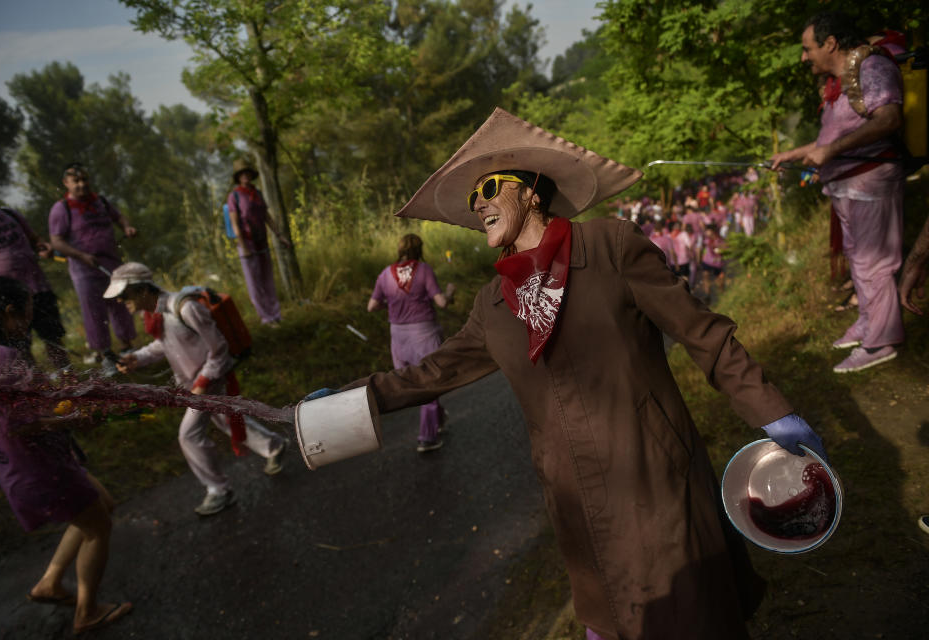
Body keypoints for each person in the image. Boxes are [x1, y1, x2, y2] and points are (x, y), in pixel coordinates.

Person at [310, 108, 827, 639]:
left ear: (533, 190)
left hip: (656, 478)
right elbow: (427, 374)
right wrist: (340, 406)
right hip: (576, 502)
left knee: (689, 618)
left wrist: (775, 413)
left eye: (490, 187)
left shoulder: (612, 246)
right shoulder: (492, 305)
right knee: (614, 618)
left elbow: (704, 335)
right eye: (473, 200)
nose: (480, 203)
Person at [0, 276, 131, 635]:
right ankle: (87, 613)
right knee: (98, 526)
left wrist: (6, 457)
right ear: (8, 313)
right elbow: (23, 426)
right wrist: (78, 418)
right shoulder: (8, 359)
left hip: (15, 469)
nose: (29, 322)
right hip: (43, 469)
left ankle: (50, 583)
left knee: (102, 503)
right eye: (26, 313)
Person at [771, 11, 905, 374]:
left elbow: (889, 119)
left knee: (874, 264)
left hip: (871, 182)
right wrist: (796, 153)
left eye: (807, 48)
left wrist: (829, 153)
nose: (803, 57)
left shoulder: (871, 69)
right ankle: (867, 322)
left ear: (830, 44)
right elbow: (831, 138)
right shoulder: (840, 81)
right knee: (858, 260)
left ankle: (881, 342)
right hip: (847, 186)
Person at [106, 262, 286, 516]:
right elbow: (165, 345)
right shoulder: (158, 314)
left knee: (188, 435)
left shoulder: (185, 308)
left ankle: (218, 490)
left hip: (208, 382)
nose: (122, 301)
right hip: (193, 384)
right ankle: (274, 445)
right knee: (226, 420)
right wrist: (138, 357)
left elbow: (219, 349)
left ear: (141, 290)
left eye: (124, 295)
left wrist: (203, 382)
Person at [0, 166, 69, 369]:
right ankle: (32, 389)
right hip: (2, 299)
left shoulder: (9, 214)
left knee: (53, 337)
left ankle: (70, 382)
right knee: (18, 347)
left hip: (37, 288)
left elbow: (35, 240)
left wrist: (44, 247)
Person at [368, 233, 456, 452]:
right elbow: (442, 302)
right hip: (423, 336)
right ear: (420, 250)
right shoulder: (424, 270)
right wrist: (450, 292)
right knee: (429, 383)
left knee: (413, 383)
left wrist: (390, 304)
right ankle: (427, 438)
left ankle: (437, 418)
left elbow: (371, 306)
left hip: (398, 339)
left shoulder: (385, 274)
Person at [48, 164, 137, 375]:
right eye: (76, 181)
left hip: (111, 263)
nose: (81, 185)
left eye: (84, 180)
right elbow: (57, 242)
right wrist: (81, 256)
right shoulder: (62, 209)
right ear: (66, 183)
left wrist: (126, 227)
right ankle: (107, 355)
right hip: (84, 269)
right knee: (94, 312)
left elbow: (119, 217)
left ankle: (129, 350)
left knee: (121, 303)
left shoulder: (101, 201)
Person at [227, 159, 293, 325]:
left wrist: (279, 235)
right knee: (254, 283)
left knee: (267, 279)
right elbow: (235, 223)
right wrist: (243, 246)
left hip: (261, 241)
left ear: (251, 174)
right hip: (247, 244)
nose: (245, 176)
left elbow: (266, 216)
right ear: (238, 177)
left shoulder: (257, 193)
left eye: (247, 172)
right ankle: (266, 317)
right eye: (242, 174)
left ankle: (276, 314)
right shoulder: (234, 196)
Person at [700, 223, 727, 301]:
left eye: (707, 231)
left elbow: (726, 248)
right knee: (705, 276)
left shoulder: (720, 239)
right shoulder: (706, 239)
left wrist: (719, 247)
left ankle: (722, 293)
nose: (706, 232)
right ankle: (707, 295)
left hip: (717, 263)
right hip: (707, 262)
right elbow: (704, 248)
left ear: (712, 231)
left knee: (719, 279)